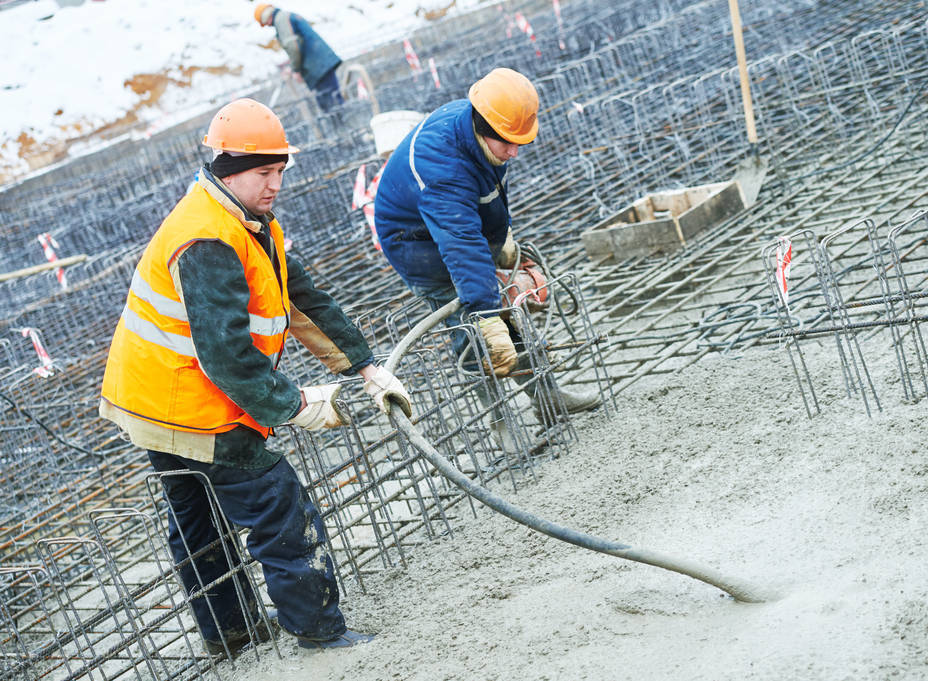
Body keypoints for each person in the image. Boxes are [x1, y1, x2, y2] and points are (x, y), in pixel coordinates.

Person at [99, 98, 411, 654]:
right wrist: (294, 405)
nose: (275, 185)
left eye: (280, 172)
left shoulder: (249, 220)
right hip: (185, 402)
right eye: (264, 173)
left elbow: (304, 301)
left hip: (151, 396)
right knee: (277, 503)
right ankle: (319, 630)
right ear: (228, 170)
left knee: (197, 518)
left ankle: (231, 633)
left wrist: (366, 367)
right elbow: (227, 359)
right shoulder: (207, 239)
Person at [372, 67, 600, 425]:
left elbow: (482, 195)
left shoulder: (486, 124)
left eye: (519, 142)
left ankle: (548, 399)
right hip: (417, 246)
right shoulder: (442, 166)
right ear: (482, 128)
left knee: (505, 317)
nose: (514, 152)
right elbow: (460, 244)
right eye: (507, 143)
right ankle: (501, 422)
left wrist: (501, 237)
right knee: (473, 330)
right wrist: (485, 314)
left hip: (454, 229)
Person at [254, 4, 344, 112]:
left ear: (266, 17)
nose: (267, 25)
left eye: (264, 23)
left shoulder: (281, 19)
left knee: (331, 105)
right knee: (333, 100)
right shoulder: (286, 16)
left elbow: (293, 47)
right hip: (320, 63)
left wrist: (295, 70)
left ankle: (343, 126)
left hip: (317, 66)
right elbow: (299, 43)